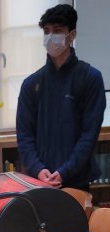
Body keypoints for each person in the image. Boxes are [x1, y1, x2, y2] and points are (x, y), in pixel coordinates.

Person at [16, 4, 106, 191]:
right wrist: (38, 169)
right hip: (38, 181)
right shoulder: (31, 84)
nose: (50, 37)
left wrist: (65, 171)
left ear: (71, 35)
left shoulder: (90, 78)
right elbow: (24, 136)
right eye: (46, 31)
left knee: (76, 221)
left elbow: (89, 136)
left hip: (77, 181)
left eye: (57, 31)